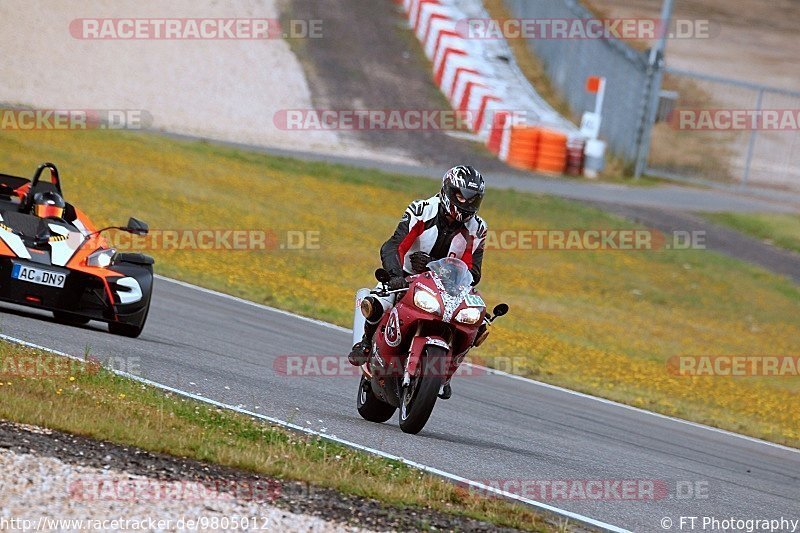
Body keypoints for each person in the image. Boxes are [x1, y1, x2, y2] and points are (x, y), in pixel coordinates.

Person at [348, 165, 488, 399]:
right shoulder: (422, 210)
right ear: (448, 190)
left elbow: (473, 269)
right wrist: (394, 276)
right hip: (407, 277)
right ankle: (364, 343)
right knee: (376, 301)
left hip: (448, 287)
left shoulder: (478, 228)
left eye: (473, 199)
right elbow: (394, 245)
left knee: (477, 323)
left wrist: (441, 267)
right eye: (461, 195)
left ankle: (446, 372)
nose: (466, 203)